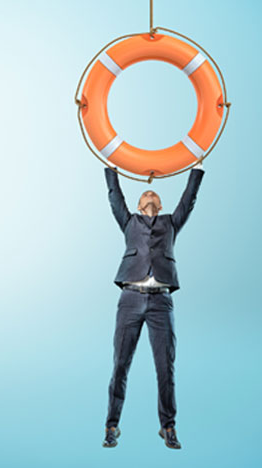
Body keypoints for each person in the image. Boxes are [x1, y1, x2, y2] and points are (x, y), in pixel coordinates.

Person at [101, 160, 205, 450]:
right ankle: (111, 425)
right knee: (120, 364)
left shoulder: (171, 222)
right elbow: (114, 197)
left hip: (161, 302)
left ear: (159, 206)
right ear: (138, 203)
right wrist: (111, 168)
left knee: (165, 367)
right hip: (130, 299)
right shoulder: (129, 222)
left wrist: (196, 168)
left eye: (154, 196)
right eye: (146, 195)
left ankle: (168, 427)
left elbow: (189, 199)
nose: (150, 195)